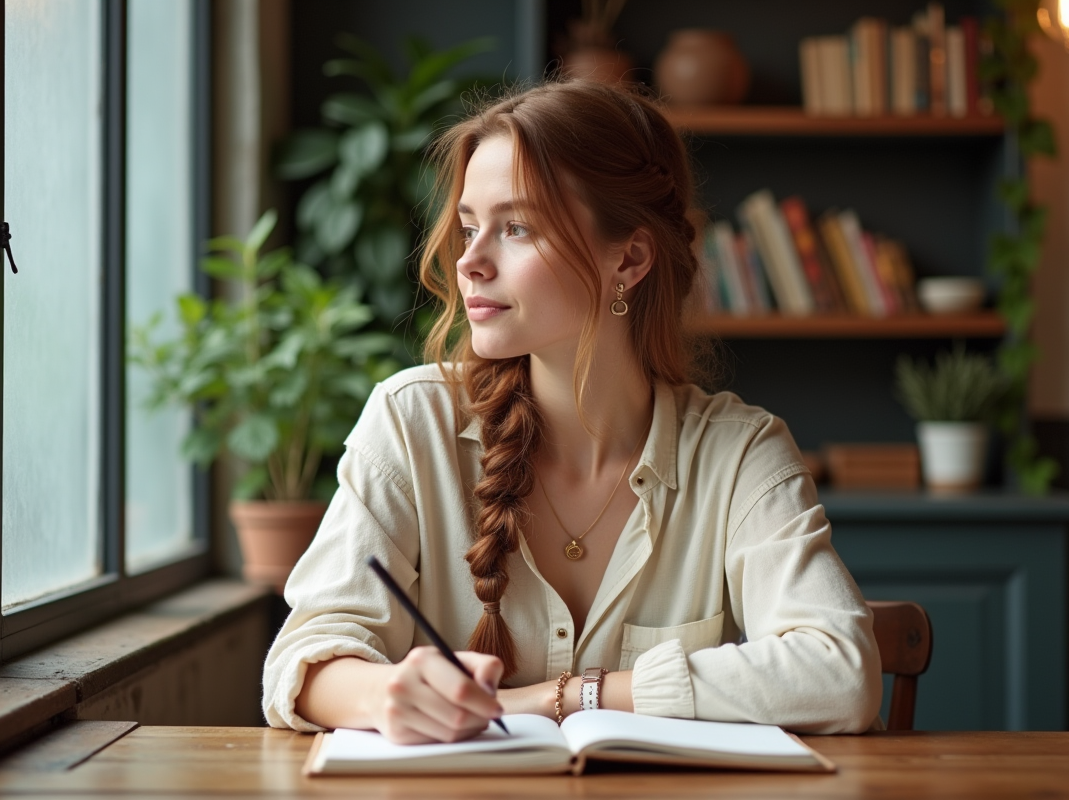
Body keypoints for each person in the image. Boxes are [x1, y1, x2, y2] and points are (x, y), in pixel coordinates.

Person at [262, 79, 882, 744]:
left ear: (631, 257)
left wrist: (568, 697)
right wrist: (387, 693)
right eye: (470, 227)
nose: (469, 261)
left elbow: (841, 673)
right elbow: (304, 661)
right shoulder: (412, 423)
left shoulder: (738, 453)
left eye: (517, 227)